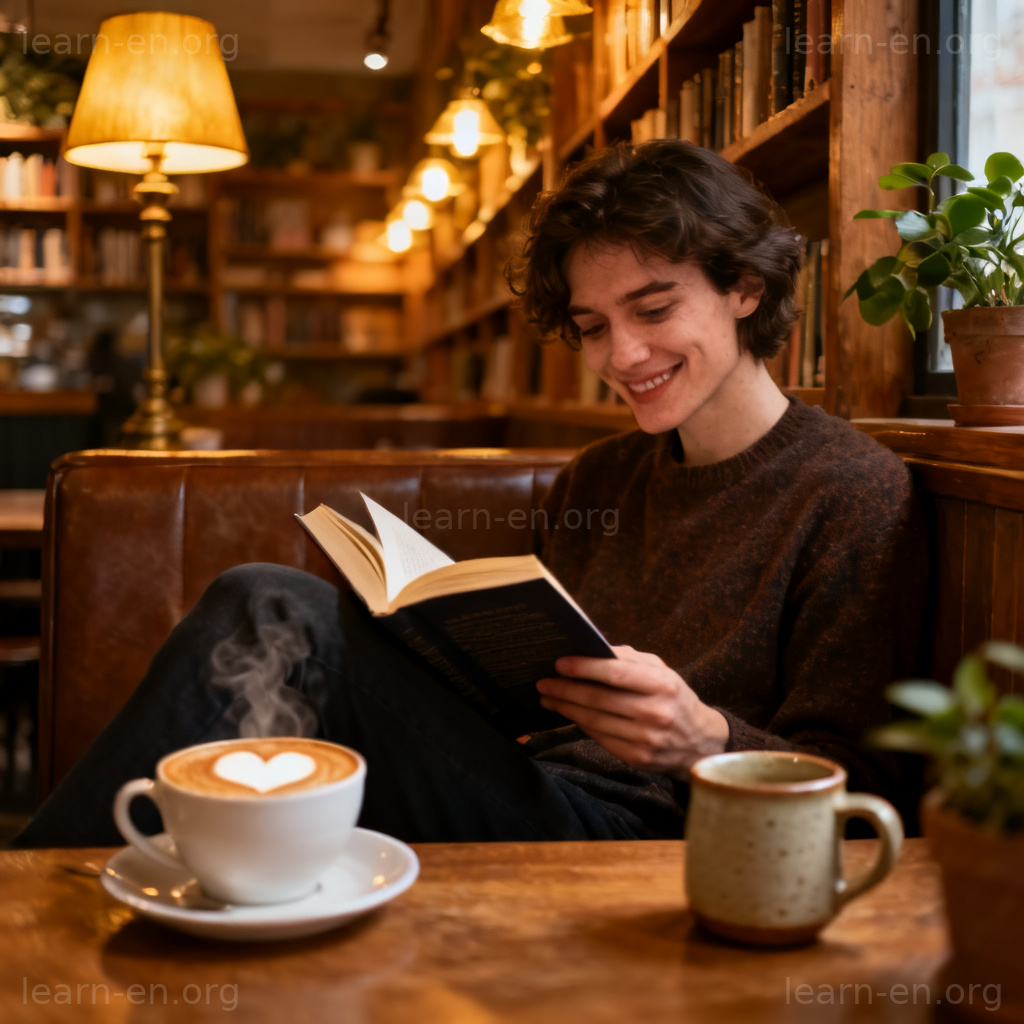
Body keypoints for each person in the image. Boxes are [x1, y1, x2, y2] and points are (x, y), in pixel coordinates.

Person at [17, 140, 925, 848]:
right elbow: (532, 695)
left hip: (654, 834)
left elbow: (867, 800)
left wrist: (706, 739)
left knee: (271, 606)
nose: (621, 356)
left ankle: (31, 897)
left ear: (745, 288)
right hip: (527, 782)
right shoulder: (600, 477)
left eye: (654, 310)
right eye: (592, 327)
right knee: (282, 623)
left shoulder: (851, 491)